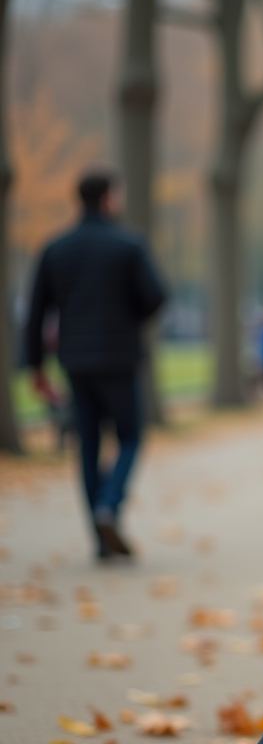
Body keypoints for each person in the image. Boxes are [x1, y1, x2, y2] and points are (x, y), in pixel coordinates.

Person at [24, 171, 167, 561]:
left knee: (86, 446)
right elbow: (156, 295)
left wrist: (35, 366)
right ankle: (110, 503)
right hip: (120, 358)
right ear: (108, 198)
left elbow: (37, 310)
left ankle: (100, 538)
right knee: (130, 437)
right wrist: (131, 314)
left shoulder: (56, 248)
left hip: (75, 362)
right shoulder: (128, 244)